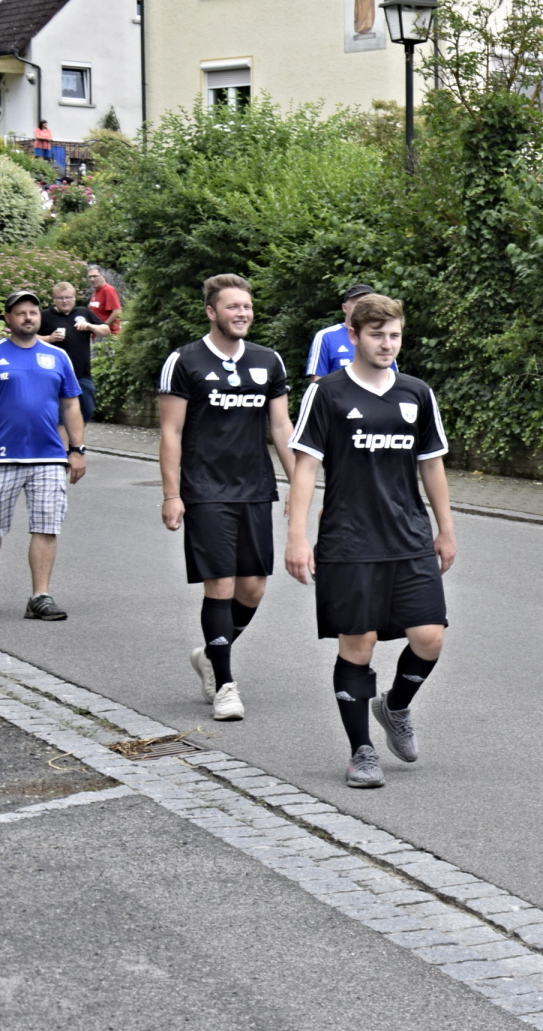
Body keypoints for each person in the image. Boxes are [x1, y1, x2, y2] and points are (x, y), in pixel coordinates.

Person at [285, 294, 456, 789]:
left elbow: (432, 464)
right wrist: (297, 537)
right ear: (354, 336)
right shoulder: (328, 393)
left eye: (394, 335)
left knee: (430, 636)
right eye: (377, 334)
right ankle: (361, 751)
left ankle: (395, 707)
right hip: (349, 540)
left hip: (409, 536)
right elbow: (305, 468)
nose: (387, 344)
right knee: (357, 644)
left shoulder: (417, 393)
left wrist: (445, 529)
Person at [158, 274, 297, 722]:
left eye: (247, 306)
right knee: (219, 584)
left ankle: (210, 654)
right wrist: (172, 494)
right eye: (233, 306)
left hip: (255, 487)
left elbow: (281, 427)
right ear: (211, 312)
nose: (242, 313)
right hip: (204, 489)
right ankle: (225, 685)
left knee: (252, 588)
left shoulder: (268, 360)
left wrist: (299, 484)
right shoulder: (184, 361)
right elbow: (171, 431)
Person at [0, 291, 88, 621]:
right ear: (8, 318)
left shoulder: (57, 357)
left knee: (47, 525)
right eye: (21, 312)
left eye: (33, 312)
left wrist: (77, 449)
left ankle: (39, 597)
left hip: (49, 456)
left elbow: (71, 405)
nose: (28, 317)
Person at [37, 282, 106, 422]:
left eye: (68, 297)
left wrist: (90, 326)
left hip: (82, 373)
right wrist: (49, 338)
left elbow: (106, 331)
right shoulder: (44, 316)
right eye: (60, 298)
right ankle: (63, 436)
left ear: (74, 298)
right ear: (54, 299)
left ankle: (76, 435)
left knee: (87, 409)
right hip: (55, 374)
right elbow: (29, 337)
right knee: (59, 416)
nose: (65, 301)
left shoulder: (84, 313)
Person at [306, 283, 396, 380]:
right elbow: (317, 380)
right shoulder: (326, 336)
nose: (363, 308)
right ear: (344, 308)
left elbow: (392, 377)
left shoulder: (385, 338)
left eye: (368, 305)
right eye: (357, 304)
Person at [85, 266, 122, 334]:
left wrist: (104, 326)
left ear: (103, 277)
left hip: (108, 334)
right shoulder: (96, 291)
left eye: (95, 276)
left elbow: (117, 311)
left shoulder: (108, 290)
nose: (92, 279)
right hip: (97, 333)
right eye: (90, 277)